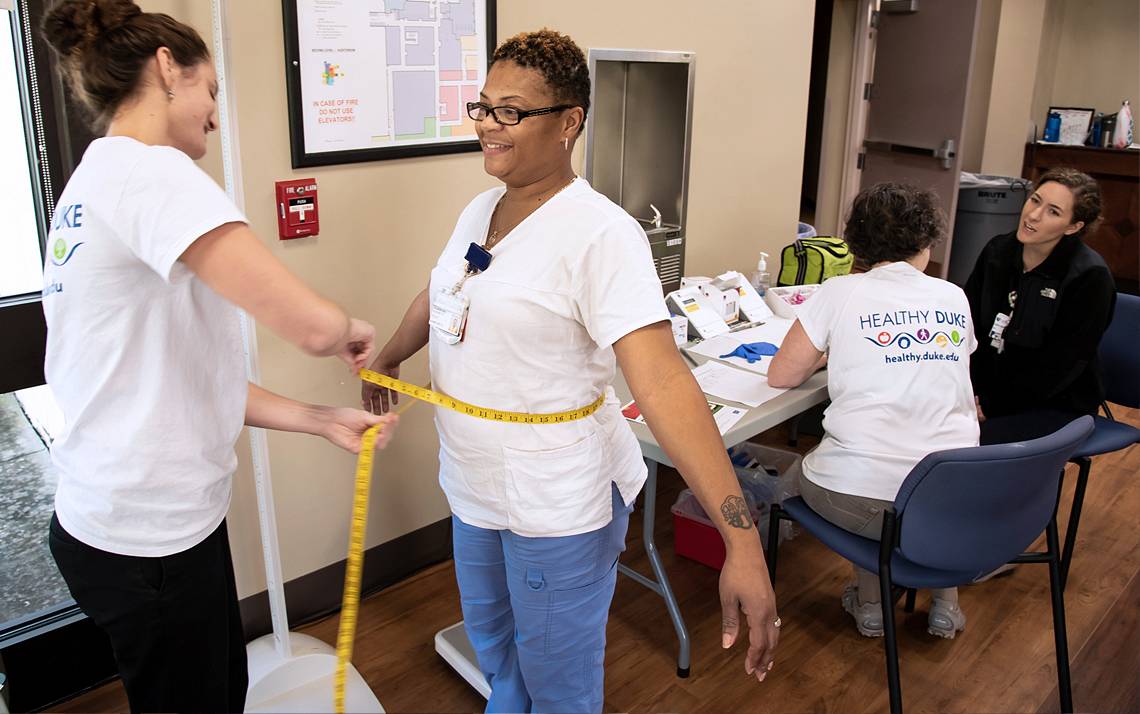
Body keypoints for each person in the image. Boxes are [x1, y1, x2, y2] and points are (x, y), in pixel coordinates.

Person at [362, 29, 778, 713]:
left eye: (511, 112)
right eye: (483, 107)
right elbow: (445, 288)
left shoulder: (602, 235)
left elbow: (664, 381)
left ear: (569, 122)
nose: (488, 127)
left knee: (557, 681)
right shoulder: (483, 206)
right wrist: (389, 357)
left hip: (554, 503)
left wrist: (742, 542)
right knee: (496, 650)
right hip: (474, 485)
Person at [40, 2, 397, 712]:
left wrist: (320, 418)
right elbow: (311, 326)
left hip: (119, 526)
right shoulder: (150, 176)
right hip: (149, 543)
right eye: (210, 91)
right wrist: (348, 327)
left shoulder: (91, 185)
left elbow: (183, 381)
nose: (214, 113)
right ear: (168, 68)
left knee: (213, 692)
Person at [767, 183, 980, 639]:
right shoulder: (953, 297)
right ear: (926, 242)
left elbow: (781, 375)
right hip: (957, 492)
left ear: (856, 243)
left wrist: (831, 351)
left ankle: (870, 604)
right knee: (910, 479)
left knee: (805, 478)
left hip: (864, 498)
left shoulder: (840, 292)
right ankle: (945, 604)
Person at [964, 168, 1116, 445]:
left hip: (1054, 403)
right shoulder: (997, 252)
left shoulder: (1090, 277)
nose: (1033, 215)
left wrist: (991, 406)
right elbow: (968, 326)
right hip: (985, 391)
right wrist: (965, 393)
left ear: (1073, 227)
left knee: (967, 445)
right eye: (1035, 200)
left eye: (1053, 211)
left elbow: (1060, 367)